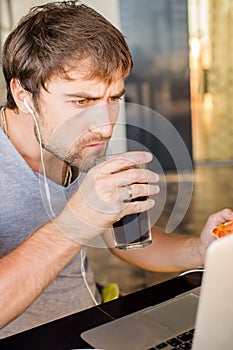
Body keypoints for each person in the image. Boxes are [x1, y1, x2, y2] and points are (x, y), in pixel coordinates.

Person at [0, 0, 233, 339]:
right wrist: (77, 221)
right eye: (81, 101)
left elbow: (128, 242)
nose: (106, 126)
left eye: (113, 99)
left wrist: (200, 250)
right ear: (23, 94)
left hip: (91, 329)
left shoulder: (79, 140)